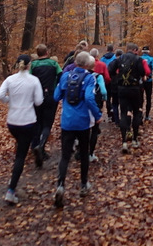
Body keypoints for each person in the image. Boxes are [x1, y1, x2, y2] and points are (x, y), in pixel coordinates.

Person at [53, 51, 102, 207]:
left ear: (75, 62)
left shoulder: (65, 76)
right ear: (87, 64)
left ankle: (60, 185)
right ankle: (83, 185)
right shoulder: (89, 78)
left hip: (67, 121)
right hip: (83, 122)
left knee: (65, 155)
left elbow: (56, 96)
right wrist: (97, 114)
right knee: (84, 151)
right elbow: (88, 97)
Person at [0, 54, 44, 204]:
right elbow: (38, 101)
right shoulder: (34, 80)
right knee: (20, 157)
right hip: (27, 121)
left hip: (12, 122)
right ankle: (11, 190)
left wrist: (10, 101)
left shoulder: (10, 79)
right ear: (29, 65)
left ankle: (14, 177)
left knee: (20, 148)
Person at [29, 44, 63, 166]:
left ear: (37, 53)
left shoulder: (33, 65)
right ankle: (41, 146)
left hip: (36, 98)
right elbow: (61, 76)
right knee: (47, 124)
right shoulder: (54, 64)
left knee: (37, 122)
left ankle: (38, 147)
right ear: (47, 52)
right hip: (51, 97)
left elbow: (29, 79)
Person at [112, 43, 147, 154]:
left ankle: (124, 142)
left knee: (123, 113)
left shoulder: (119, 59)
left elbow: (110, 70)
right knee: (136, 112)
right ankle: (135, 140)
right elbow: (143, 72)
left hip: (122, 89)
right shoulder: (138, 59)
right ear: (134, 50)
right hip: (134, 89)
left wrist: (117, 78)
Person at [85, 53, 107, 163]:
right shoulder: (98, 77)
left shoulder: (81, 76)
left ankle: (81, 151)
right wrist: (105, 98)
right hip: (95, 103)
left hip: (82, 105)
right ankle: (90, 153)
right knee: (94, 130)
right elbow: (103, 91)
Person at [141, 46, 153, 121]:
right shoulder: (151, 59)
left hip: (141, 81)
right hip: (149, 81)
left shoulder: (139, 59)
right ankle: (147, 115)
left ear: (142, 51)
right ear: (148, 51)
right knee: (148, 98)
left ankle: (139, 115)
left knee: (140, 98)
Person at [106, 48, 123, 125]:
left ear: (115, 55)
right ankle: (123, 119)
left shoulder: (112, 63)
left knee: (115, 103)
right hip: (123, 85)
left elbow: (108, 73)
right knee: (123, 103)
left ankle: (116, 120)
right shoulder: (125, 63)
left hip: (114, 85)